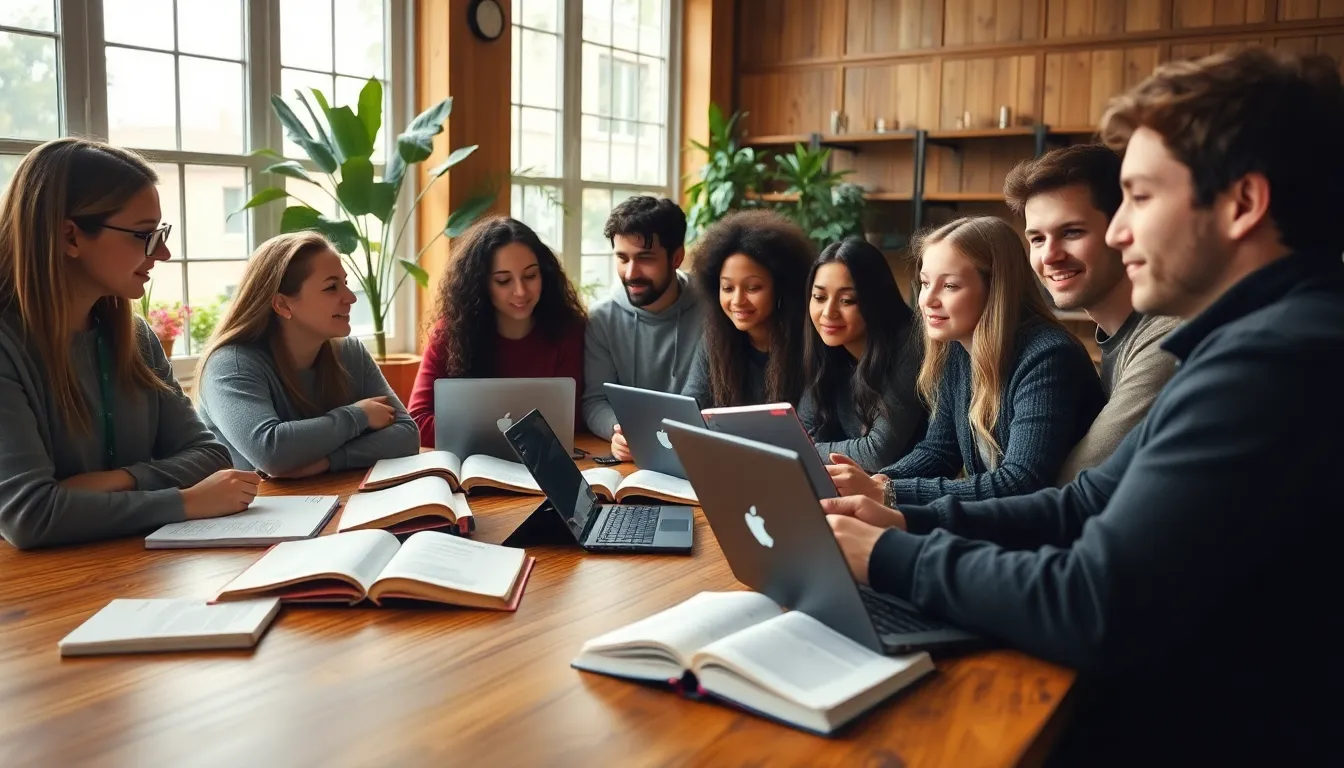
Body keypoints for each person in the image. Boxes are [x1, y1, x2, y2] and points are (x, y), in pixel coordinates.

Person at [822, 47, 1344, 765]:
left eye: (1142, 197)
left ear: (1243, 204)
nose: (1119, 231)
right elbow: (1081, 505)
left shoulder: (1277, 360)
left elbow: (1094, 603)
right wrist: (904, 516)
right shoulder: (1242, 340)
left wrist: (889, 556)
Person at [0, 138, 253, 550]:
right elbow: (29, 514)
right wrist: (183, 502)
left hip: (137, 572)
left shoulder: (136, 337)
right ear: (70, 237)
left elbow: (210, 455)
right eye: (144, 235)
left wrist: (110, 482)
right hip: (41, 598)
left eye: (161, 233)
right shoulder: (8, 349)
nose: (165, 252)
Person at [828, 216, 1104, 506]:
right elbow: (939, 451)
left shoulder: (1048, 358)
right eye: (924, 283)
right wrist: (878, 481)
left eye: (949, 286)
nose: (927, 300)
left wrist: (889, 493)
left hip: (1059, 540)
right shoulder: (960, 350)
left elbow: (1022, 483)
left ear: (996, 289)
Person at [1004, 144, 1180, 484]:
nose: (1050, 256)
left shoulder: (1166, 338)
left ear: (1124, 232)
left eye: (1071, 232)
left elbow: (1073, 485)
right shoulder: (1122, 335)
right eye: (1037, 239)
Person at [194, 232, 420, 477]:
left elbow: (407, 435)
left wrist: (329, 461)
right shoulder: (231, 364)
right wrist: (359, 415)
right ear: (283, 304)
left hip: (330, 500)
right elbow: (271, 452)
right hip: (256, 512)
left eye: (345, 283)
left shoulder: (351, 353)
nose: (351, 297)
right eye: (331, 287)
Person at [407, 215, 586, 447]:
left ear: (545, 274)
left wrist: (479, 430)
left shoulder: (568, 330)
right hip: (472, 468)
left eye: (531, 276)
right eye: (503, 281)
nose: (521, 291)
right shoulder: (451, 332)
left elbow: (573, 422)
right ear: (481, 285)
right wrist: (509, 434)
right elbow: (417, 422)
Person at [582, 196, 704, 463]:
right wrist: (621, 431)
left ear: (677, 257)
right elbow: (595, 401)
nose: (630, 273)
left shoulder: (711, 313)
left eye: (645, 258)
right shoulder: (602, 318)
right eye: (622, 258)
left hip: (699, 455)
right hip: (633, 460)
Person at [798, 237, 927, 473]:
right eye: (819, 297)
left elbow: (877, 453)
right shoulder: (827, 349)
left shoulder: (910, 345)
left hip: (905, 497)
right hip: (850, 489)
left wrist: (805, 452)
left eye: (847, 300)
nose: (828, 312)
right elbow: (802, 432)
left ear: (874, 300)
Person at [680, 210, 812, 409]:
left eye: (752, 288)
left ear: (782, 287)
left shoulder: (809, 344)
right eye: (728, 288)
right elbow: (690, 406)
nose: (737, 300)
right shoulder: (715, 339)